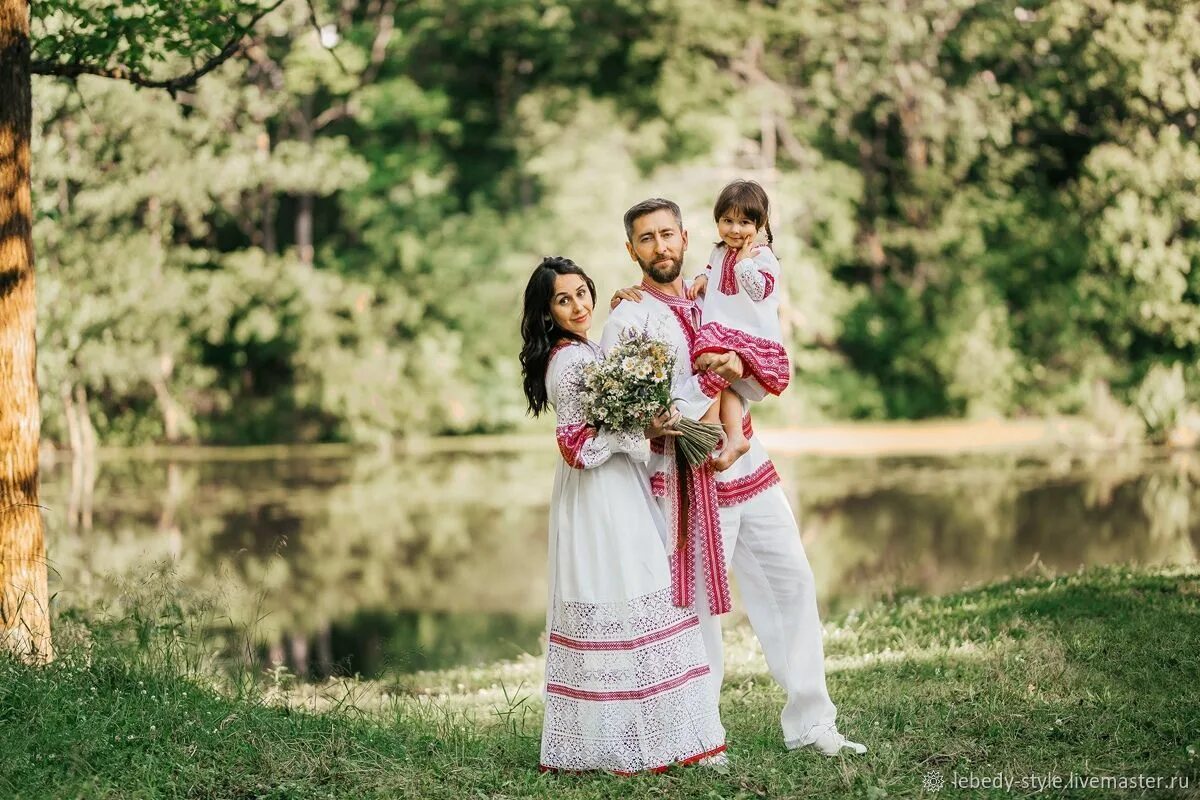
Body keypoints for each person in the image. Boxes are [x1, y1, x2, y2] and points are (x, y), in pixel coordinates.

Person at [603, 199, 867, 756]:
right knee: (695, 612)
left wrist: (739, 370)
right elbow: (629, 414)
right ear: (631, 251)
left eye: (668, 234)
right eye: (646, 239)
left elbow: (755, 351)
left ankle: (813, 723)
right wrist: (685, 414)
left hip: (749, 464)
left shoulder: (713, 292)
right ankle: (701, 738)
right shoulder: (629, 318)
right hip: (687, 475)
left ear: (685, 236)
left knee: (791, 580)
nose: (660, 246)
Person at [519, 255, 728, 774]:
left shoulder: (585, 348)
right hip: (597, 494)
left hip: (617, 484)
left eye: (582, 292)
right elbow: (576, 445)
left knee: (640, 590)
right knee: (626, 588)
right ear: (546, 314)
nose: (577, 304)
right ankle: (628, 743)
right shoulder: (568, 364)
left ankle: (649, 734)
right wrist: (647, 430)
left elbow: (606, 417)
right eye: (562, 300)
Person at [689, 180, 790, 472]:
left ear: (759, 224)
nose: (735, 229)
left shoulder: (763, 258)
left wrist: (745, 262)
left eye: (744, 222)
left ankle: (709, 428)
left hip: (749, 336)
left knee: (710, 361)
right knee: (724, 379)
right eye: (727, 221)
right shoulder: (718, 252)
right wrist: (702, 280)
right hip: (721, 331)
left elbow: (759, 290)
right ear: (717, 221)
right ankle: (733, 436)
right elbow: (712, 273)